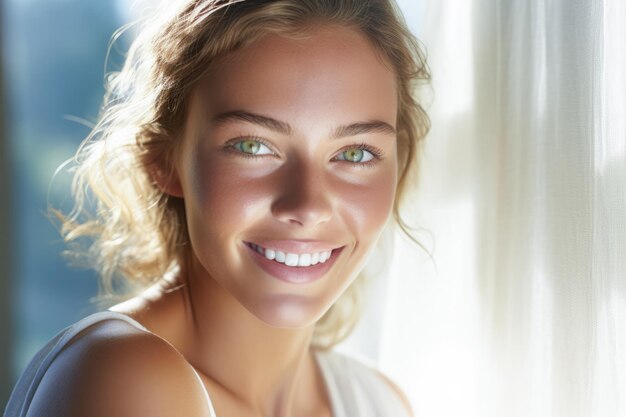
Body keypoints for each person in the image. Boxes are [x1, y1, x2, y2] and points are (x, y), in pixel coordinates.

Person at [4, 0, 430, 416]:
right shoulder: (126, 377)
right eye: (253, 146)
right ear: (164, 159)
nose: (308, 205)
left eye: (355, 154)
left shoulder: (379, 401)